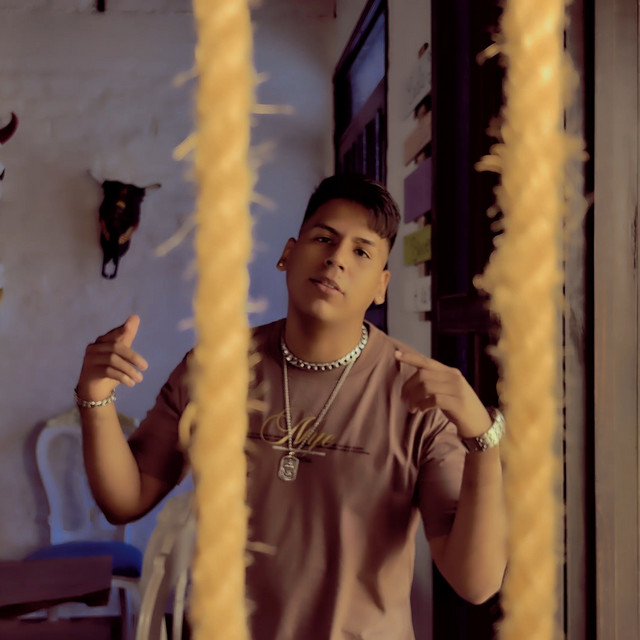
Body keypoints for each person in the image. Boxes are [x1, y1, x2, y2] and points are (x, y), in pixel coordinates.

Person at [76, 174, 507, 640]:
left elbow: (476, 583)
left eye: (361, 252)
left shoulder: (418, 394)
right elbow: (125, 499)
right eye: (324, 238)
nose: (337, 258)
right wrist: (95, 397)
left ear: (381, 286)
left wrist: (482, 441)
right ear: (288, 254)